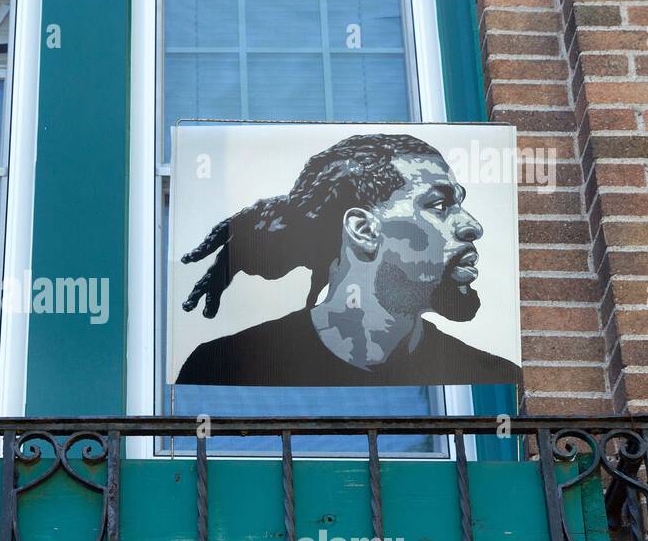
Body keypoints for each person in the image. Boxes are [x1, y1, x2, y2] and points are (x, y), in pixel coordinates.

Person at [175, 133, 522, 388]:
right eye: (439, 206)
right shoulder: (222, 369)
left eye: (460, 203)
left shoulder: (492, 378)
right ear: (363, 229)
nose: (473, 226)